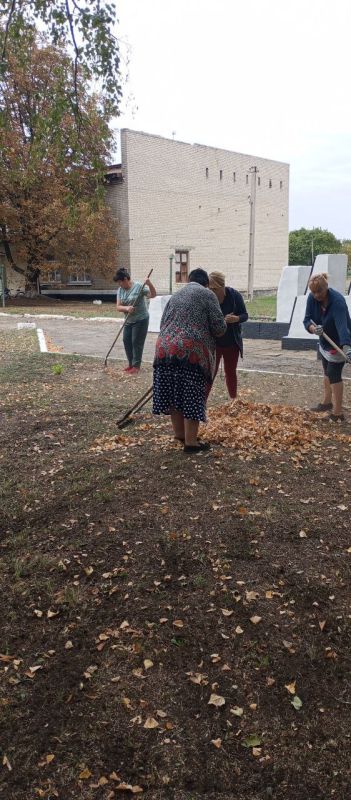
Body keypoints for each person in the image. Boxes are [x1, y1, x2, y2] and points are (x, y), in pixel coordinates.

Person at [152, 268, 227, 453]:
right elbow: (219, 328)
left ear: (189, 280)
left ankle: (180, 434)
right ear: (206, 283)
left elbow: (163, 323)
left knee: (174, 393)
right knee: (191, 395)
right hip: (190, 351)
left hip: (164, 348)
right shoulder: (207, 294)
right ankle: (191, 443)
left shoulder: (176, 295)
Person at [303, 272, 351, 421]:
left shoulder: (337, 302)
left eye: (319, 291)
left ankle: (338, 413)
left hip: (339, 343)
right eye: (314, 292)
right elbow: (306, 320)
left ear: (326, 287)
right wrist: (313, 328)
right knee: (326, 370)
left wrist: (346, 347)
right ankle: (327, 402)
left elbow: (343, 327)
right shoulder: (312, 298)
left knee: (333, 373)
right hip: (325, 341)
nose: (316, 295)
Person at [208, 271, 248, 398]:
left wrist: (236, 319)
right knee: (210, 373)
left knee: (230, 372)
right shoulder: (208, 297)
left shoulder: (234, 295)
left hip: (231, 341)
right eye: (210, 288)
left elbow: (245, 315)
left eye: (215, 289)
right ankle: (202, 403)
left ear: (222, 286)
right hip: (214, 343)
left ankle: (233, 400)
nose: (212, 291)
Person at [114, 268, 156, 374]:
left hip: (141, 319)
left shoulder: (139, 287)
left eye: (120, 282)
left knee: (136, 342)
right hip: (129, 320)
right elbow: (118, 307)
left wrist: (149, 284)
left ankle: (136, 366)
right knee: (126, 341)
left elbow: (153, 295)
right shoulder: (120, 290)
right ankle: (131, 364)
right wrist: (127, 308)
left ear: (125, 279)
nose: (119, 284)